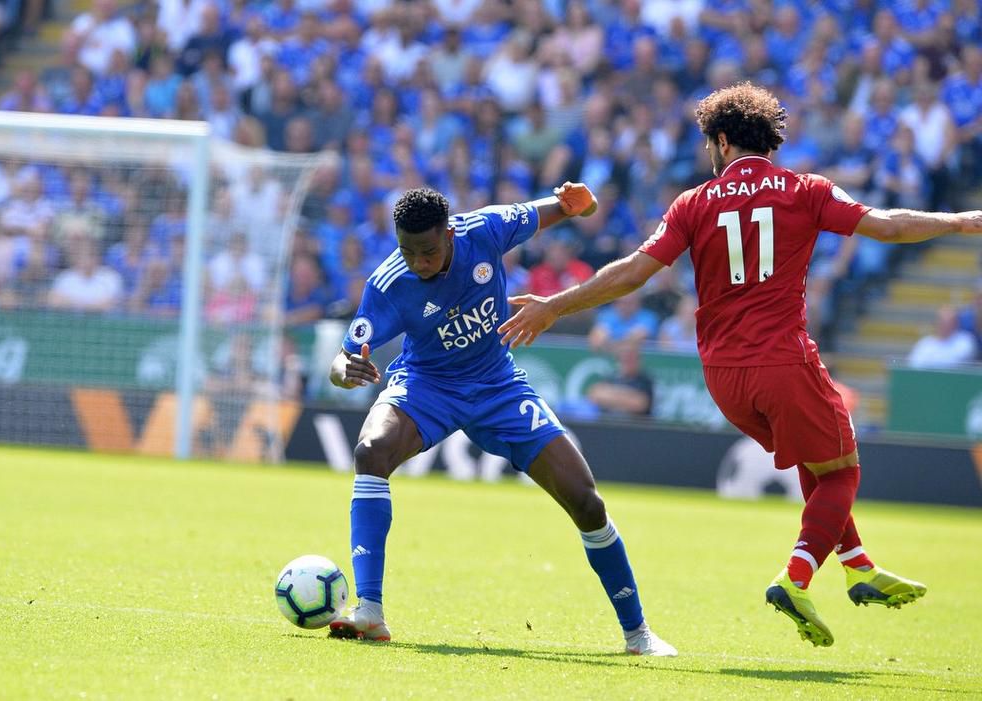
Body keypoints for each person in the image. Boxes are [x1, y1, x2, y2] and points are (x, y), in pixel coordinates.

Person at [499, 82, 982, 648]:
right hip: (782, 358)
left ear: (723, 141)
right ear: (766, 141)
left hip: (722, 376)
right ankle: (797, 578)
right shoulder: (804, 190)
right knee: (844, 470)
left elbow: (632, 271)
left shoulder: (694, 202)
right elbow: (890, 226)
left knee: (813, 458)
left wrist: (555, 304)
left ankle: (857, 564)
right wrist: (960, 222)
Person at [326, 185, 676, 656]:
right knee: (371, 451)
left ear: (449, 234)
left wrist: (584, 202)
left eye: (428, 251)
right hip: (428, 385)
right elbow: (342, 358)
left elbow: (564, 209)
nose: (418, 262)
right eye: (407, 251)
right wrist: (344, 372)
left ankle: (638, 635)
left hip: (498, 385)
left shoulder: (486, 229)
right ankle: (369, 609)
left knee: (586, 501)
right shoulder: (389, 283)